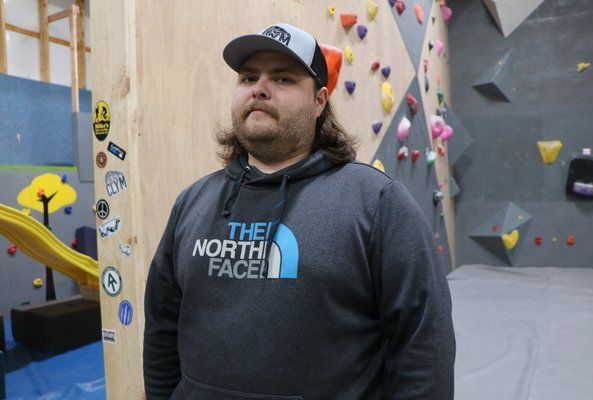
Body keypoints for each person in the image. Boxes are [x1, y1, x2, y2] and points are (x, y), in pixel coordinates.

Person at [143, 23, 455, 400]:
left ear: (319, 101)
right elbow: (162, 329)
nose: (259, 88)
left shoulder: (378, 204)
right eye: (248, 77)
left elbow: (423, 349)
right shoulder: (192, 202)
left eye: (283, 78)